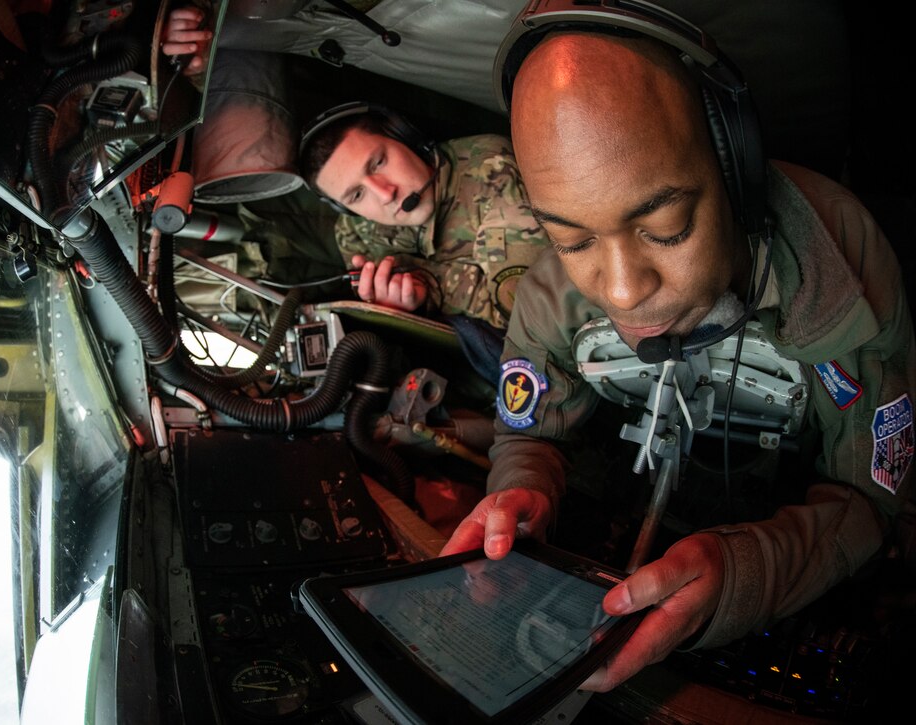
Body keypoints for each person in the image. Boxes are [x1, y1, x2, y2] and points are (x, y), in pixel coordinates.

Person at [440, 1, 916, 697]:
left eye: (666, 226)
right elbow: (529, 429)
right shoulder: (548, 292)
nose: (625, 290)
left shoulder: (837, 257)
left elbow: (875, 501)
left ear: (733, 164)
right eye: (572, 240)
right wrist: (523, 484)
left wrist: (746, 570)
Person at [298, 103, 550, 380]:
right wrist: (391, 312)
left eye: (379, 162)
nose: (384, 195)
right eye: (357, 195)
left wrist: (429, 286)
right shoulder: (354, 232)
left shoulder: (491, 168)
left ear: (404, 136)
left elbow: (524, 316)